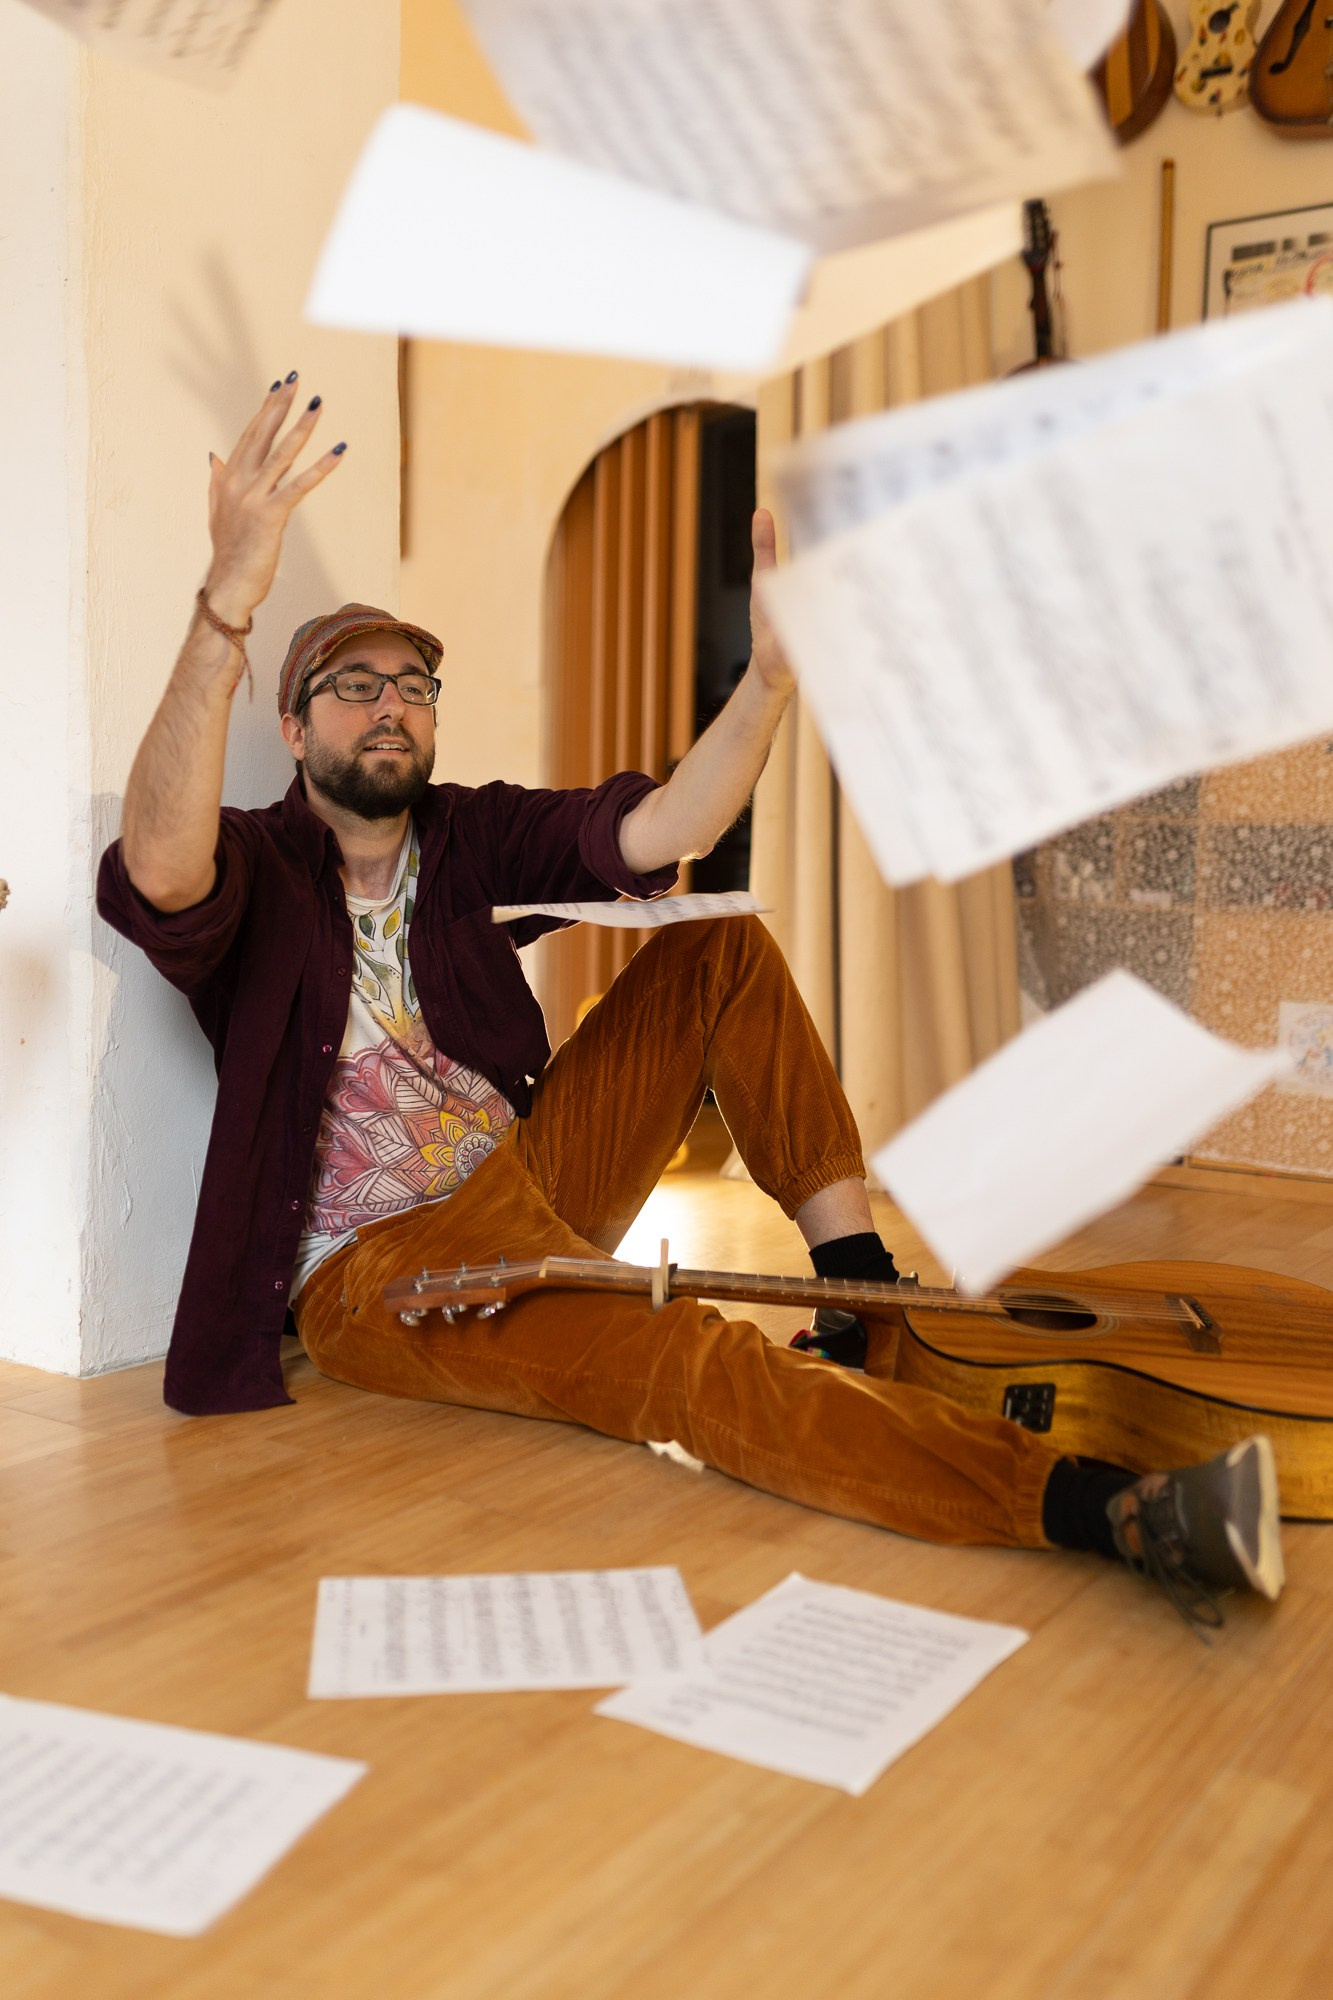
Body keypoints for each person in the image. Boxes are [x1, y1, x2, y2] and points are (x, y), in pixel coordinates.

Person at [97, 377, 1284, 1632]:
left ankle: (856, 1291)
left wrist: (766, 680)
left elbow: (668, 827)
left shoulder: (468, 831)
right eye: (354, 684)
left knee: (714, 939)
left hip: (530, 1176)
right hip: (382, 1266)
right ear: (292, 727)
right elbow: (158, 870)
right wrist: (226, 600)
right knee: (685, 1353)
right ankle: (1110, 1508)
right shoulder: (255, 862)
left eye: (413, 682)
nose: (391, 702)